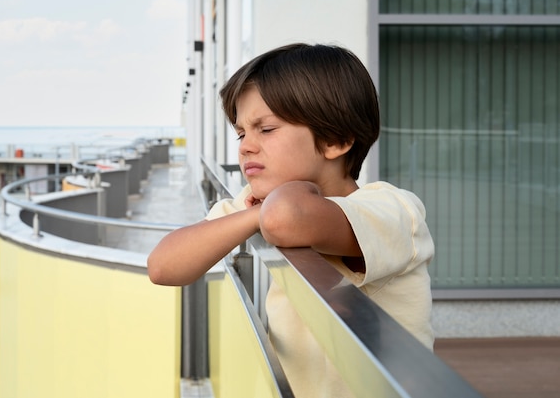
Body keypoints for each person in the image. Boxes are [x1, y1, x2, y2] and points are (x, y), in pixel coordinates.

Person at [148, 43, 434, 397]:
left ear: (336, 139)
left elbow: (286, 219)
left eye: (265, 130)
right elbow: (163, 265)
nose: (245, 147)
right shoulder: (259, 206)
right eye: (241, 133)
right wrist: (254, 214)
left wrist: (261, 213)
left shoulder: (391, 210)